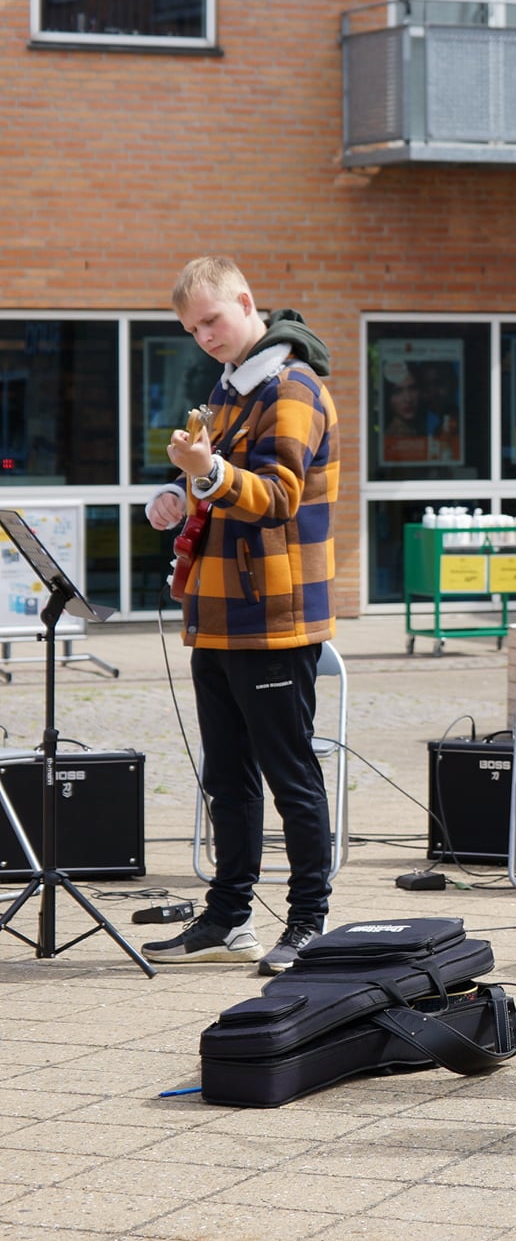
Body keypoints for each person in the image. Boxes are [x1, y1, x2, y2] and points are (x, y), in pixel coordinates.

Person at [140, 256, 340, 975]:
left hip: (274, 615)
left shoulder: (291, 384)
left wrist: (208, 475)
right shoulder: (231, 387)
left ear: (247, 302)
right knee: (226, 775)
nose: (204, 336)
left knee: (291, 776)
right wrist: (177, 496)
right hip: (221, 610)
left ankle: (311, 921)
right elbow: (216, 485)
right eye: (191, 328)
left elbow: (279, 495)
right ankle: (229, 915)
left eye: (212, 320)